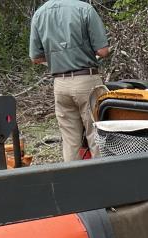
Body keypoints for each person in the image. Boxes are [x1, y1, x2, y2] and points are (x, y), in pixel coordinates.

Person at [29, 0, 111, 161]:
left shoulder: (39, 14)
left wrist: (58, 58)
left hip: (60, 84)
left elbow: (35, 57)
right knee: (96, 135)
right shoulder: (85, 9)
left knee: (70, 141)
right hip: (87, 81)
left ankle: (72, 183)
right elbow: (103, 51)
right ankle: (103, 181)